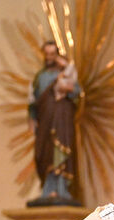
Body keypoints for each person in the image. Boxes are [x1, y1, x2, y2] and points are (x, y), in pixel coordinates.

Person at [27, 40, 81, 206]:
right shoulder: (39, 77)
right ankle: (48, 188)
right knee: (45, 152)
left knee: (61, 149)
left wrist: (68, 89)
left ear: (57, 55)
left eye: (52, 54)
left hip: (63, 118)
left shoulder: (66, 74)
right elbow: (33, 101)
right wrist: (32, 118)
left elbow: (78, 93)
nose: (49, 57)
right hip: (45, 120)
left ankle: (62, 188)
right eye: (47, 54)